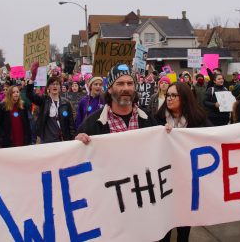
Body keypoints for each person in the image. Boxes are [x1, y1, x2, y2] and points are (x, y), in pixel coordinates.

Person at [154, 81, 210, 242]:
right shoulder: (157, 119)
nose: (169, 98)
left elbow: (217, 137)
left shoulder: (198, 119)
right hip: (164, 180)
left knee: (184, 225)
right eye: (168, 95)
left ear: (184, 98)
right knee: (164, 226)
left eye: (174, 95)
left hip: (188, 180)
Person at [75, 63, 156, 140]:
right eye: (120, 84)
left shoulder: (149, 121)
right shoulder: (91, 125)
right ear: (109, 89)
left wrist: (166, 133)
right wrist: (79, 143)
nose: (126, 88)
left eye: (130, 83)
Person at [26, 63, 76, 143]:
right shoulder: (44, 100)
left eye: (57, 84)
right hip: (47, 141)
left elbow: (71, 124)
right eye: (52, 84)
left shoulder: (66, 103)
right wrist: (32, 78)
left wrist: (72, 140)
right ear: (48, 87)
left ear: (60, 87)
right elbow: (29, 95)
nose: (55, 86)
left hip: (63, 141)